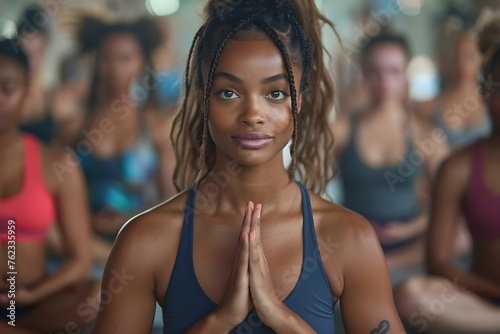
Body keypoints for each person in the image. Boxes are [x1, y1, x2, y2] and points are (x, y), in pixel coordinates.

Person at [91, 1, 405, 333]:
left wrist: (281, 318)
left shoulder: (349, 238)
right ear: (202, 96)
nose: (252, 114)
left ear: (302, 97)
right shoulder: (145, 240)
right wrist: (220, 319)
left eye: (275, 93)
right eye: (228, 92)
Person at [394, 15, 500, 334]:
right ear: (484, 90)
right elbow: (439, 263)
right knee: (412, 296)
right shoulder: (459, 167)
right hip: (484, 302)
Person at [0, 38, 99, 333]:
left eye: (7, 89)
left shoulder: (56, 164)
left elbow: (80, 261)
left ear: (27, 90)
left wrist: (33, 294)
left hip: (35, 302)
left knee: (97, 294)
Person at [333, 32, 449, 272]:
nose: (385, 82)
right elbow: (308, 187)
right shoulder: (342, 129)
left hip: (408, 247)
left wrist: (408, 229)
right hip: (352, 244)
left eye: (394, 72)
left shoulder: (425, 135)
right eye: (376, 72)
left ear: (406, 75)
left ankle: (382, 269)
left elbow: (448, 207)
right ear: (364, 74)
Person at [66, 16, 177, 262]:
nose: (115, 68)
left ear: (140, 63)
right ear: (96, 63)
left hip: (136, 246)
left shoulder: (154, 126)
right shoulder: (76, 125)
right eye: (107, 58)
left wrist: (126, 218)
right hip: (81, 246)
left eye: (125, 59)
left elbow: (169, 201)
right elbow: (53, 191)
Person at [420, 31, 491, 150]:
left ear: (481, 59)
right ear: (448, 61)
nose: (462, 64)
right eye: (456, 57)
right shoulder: (430, 108)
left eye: (470, 56)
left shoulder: (492, 102)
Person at [16, 5, 56, 144]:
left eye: (37, 52)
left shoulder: (52, 97)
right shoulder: (5, 95)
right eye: (26, 53)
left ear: (45, 51)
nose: (32, 62)